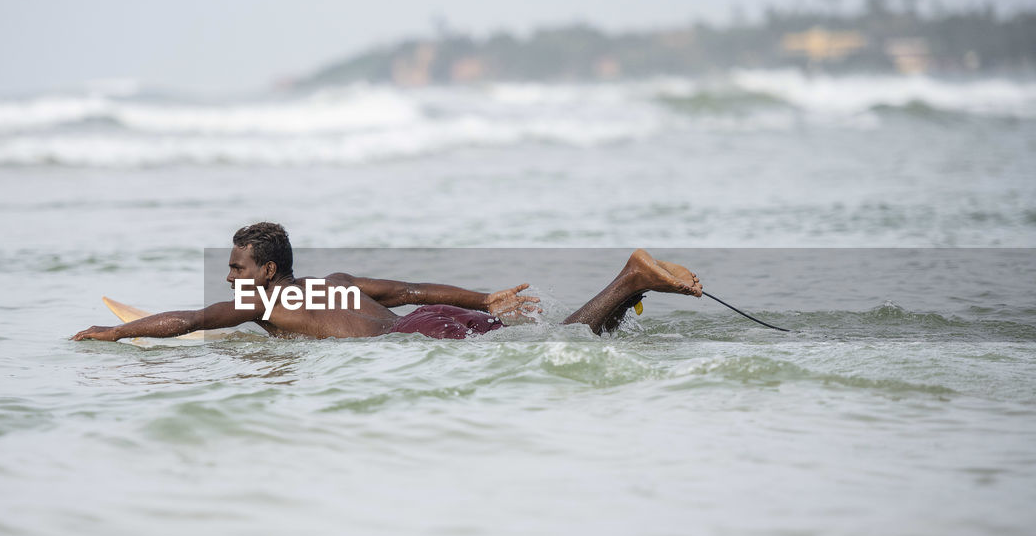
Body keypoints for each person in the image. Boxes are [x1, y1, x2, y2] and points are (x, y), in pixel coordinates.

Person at [71, 222, 701, 342]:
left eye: (235, 268)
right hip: (431, 325)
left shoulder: (260, 302)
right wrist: (485, 299)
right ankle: (634, 287)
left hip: (413, 345)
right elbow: (412, 292)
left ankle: (628, 280)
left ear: (265, 271)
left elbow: (190, 322)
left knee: (563, 345)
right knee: (562, 340)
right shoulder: (337, 280)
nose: (230, 278)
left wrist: (114, 333)